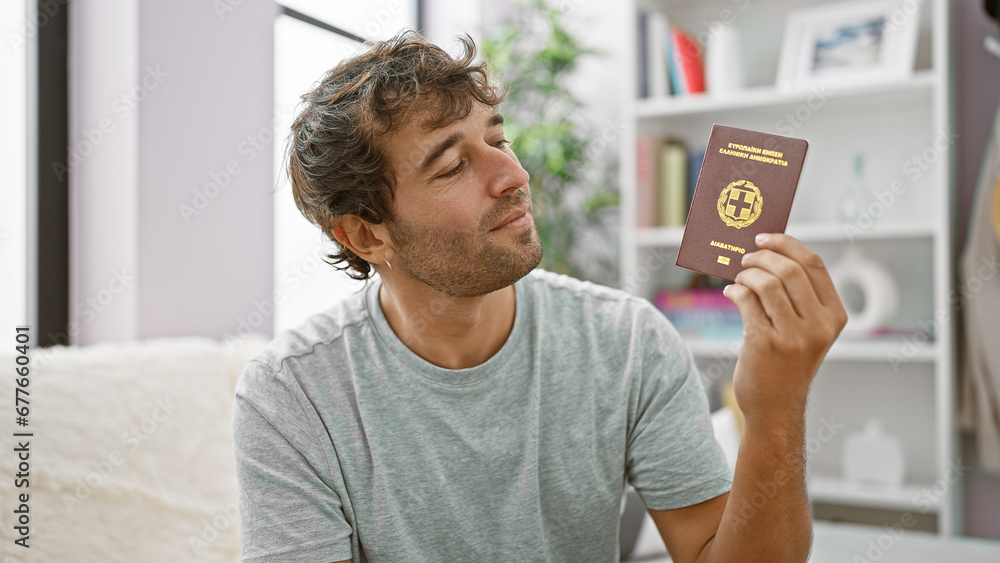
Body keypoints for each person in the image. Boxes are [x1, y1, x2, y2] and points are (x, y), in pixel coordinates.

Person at [232, 31, 847, 563]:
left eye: (497, 141)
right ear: (367, 234)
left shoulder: (630, 341)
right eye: (452, 167)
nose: (514, 176)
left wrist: (775, 412)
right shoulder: (292, 395)